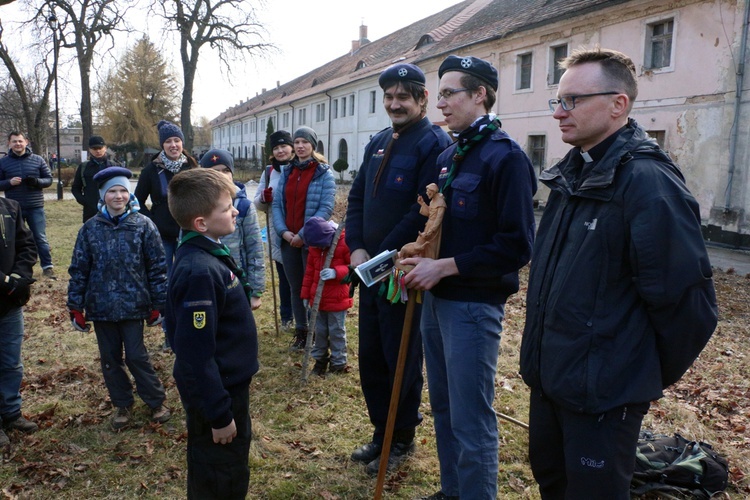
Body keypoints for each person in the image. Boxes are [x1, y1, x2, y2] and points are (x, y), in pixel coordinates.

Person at [520, 47, 718, 499]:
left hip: (604, 397)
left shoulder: (648, 184)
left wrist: (628, 375)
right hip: (552, 382)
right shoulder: (572, 175)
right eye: (557, 100)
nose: (557, 113)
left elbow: (689, 306)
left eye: (571, 101)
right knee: (554, 483)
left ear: (618, 105)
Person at [401, 55, 537, 499]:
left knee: (471, 416)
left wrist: (443, 267)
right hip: (436, 302)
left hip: (473, 309)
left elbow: (517, 245)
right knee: (442, 406)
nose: (438, 103)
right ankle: (453, 490)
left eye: (448, 93)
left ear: (480, 94)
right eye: (437, 94)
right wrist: (419, 256)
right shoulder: (449, 155)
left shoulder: (507, 158)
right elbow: (441, 228)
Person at [345, 62, 452, 476]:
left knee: (401, 357)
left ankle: (401, 437)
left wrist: (385, 255)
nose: (394, 104)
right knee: (372, 356)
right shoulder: (377, 141)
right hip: (369, 271)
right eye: (388, 97)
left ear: (422, 99)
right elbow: (356, 199)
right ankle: (380, 432)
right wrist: (356, 248)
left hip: (401, 273)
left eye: (403, 97)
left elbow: (421, 213)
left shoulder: (434, 144)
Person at [165, 168, 258, 499]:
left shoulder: (208, 252)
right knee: (221, 474)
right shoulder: (199, 272)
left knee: (223, 467)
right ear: (201, 223)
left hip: (227, 386)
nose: (235, 210)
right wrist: (219, 415)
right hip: (218, 394)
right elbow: (195, 355)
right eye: (226, 207)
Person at [67, 166, 171, 430]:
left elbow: (157, 267)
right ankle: (122, 404)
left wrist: (159, 303)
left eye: (123, 190)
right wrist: (75, 306)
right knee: (110, 359)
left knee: (137, 356)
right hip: (101, 307)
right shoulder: (90, 229)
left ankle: (156, 400)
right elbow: (79, 268)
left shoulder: (143, 226)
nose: (118, 196)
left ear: (130, 194)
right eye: (112, 191)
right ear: (103, 195)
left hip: (134, 304)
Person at [271, 126, 336, 351]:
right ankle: (301, 332)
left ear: (312, 145)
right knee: (295, 287)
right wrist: (284, 232)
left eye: (304, 142)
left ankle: (318, 334)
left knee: (313, 288)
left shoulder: (323, 173)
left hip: (311, 242)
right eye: (297, 142)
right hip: (288, 240)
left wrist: (302, 234)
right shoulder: (287, 171)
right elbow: (278, 204)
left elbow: (326, 207)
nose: (300, 146)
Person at [135, 120, 198, 350]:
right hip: (162, 235)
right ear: (162, 145)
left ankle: (190, 328)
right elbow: (137, 201)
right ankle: (169, 332)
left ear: (182, 143)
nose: (173, 145)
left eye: (177, 140)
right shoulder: (152, 170)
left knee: (188, 280)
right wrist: (152, 221)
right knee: (167, 283)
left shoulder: (191, 167)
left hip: (189, 232)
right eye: (168, 141)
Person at [200, 148, 265, 310]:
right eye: (215, 172)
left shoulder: (243, 206)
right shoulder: (197, 206)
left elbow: (255, 249)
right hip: (206, 278)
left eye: (226, 170)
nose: (222, 175)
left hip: (236, 280)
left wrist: (255, 291)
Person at [0, 196, 38, 448]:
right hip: (5, 289)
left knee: (12, 362)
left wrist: (19, 276)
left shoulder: (10, 207)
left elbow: (27, 246)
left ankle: (11, 412)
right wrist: (4, 281)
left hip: (9, 303)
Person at [300, 216, 352, 377]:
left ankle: (338, 363)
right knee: (319, 330)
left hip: (337, 300)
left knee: (336, 331)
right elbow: (309, 273)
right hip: (318, 300)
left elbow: (353, 268)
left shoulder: (343, 243)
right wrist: (306, 295)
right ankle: (320, 359)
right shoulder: (315, 248)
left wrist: (336, 272)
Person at [254, 131, 295, 331]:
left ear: (292, 147)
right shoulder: (269, 172)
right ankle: (287, 317)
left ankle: (303, 317)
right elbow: (258, 204)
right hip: (278, 232)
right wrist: (264, 198)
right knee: (284, 277)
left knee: (301, 277)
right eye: (276, 148)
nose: (280, 151)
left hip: (299, 230)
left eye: (283, 146)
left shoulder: (300, 167)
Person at [0, 131, 55, 279]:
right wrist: (8, 183)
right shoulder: (3, 162)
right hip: (11, 208)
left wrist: (37, 182)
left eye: (20, 141)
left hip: (34, 206)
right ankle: (17, 270)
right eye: (14, 141)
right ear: (9, 144)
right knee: (13, 239)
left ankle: (47, 267)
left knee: (40, 237)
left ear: (26, 142)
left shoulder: (38, 160)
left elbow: (48, 179)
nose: (18, 144)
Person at [72, 135, 114, 222]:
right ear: (90, 150)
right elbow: (76, 188)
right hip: (90, 212)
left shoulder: (115, 166)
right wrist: (85, 201)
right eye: (94, 148)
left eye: (100, 148)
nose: (98, 151)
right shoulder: (84, 167)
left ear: (105, 148)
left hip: (112, 209)